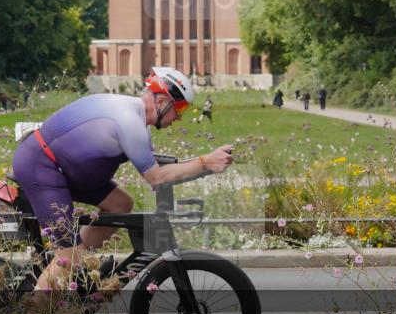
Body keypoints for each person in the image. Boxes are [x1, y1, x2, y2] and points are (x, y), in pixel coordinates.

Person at [12, 66, 234, 300]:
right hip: (42, 167)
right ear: (161, 100)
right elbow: (157, 178)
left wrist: (206, 165)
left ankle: (77, 272)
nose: (179, 117)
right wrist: (205, 162)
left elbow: (161, 168)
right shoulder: (129, 121)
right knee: (68, 258)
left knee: (120, 204)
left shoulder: (137, 121)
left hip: (65, 168)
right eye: (179, 108)